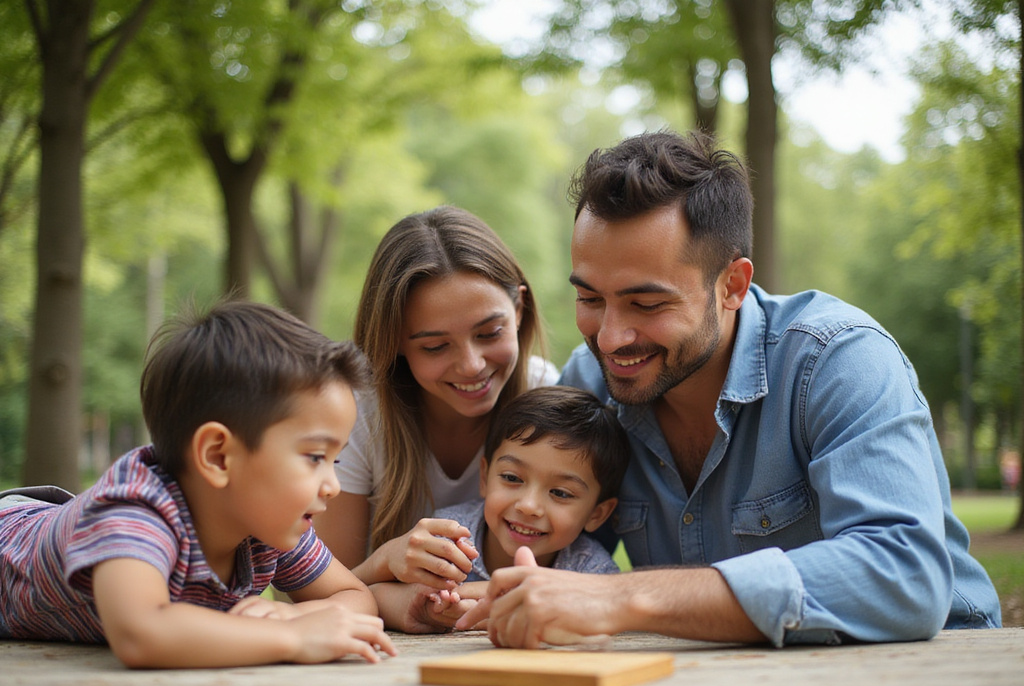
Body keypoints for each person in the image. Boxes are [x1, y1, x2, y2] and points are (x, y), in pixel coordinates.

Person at [458, 130, 1002, 648]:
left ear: (733, 285)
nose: (611, 337)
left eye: (647, 304)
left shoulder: (838, 360)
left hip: (929, 672)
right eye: (590, 299)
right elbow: (554, 562)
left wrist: (626, 597)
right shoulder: (590, 385)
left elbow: (906, 575)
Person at [0, 300, 397, 669]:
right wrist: (289, 636)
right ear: (218, 457)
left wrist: (293, 613)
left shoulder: (270, 522)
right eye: (315, 458)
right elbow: (141, 634)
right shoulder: (136, 511)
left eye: (336, 459)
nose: (332, 485)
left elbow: (356, 597)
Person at [315, 206, 558, 629]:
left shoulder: (544, 397)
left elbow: (573, 574)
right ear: (394, 343)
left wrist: (423, 598)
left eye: (489, 333)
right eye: (434, 347)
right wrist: (384, 562)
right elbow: (310, 593)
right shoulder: (355, 412)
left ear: (518, 308)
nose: (471, 365)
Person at [420, 385, 629, 623]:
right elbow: (394, 595)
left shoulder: (591, 570)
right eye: (512, 478)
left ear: (597, 514)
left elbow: (606, 617)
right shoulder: (446, 540)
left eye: (560, 493)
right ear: (485, 478)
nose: (529, 506)